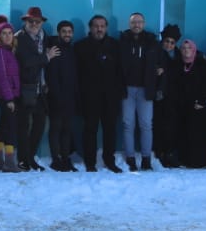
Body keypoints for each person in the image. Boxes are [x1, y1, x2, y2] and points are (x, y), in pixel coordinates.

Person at [75, 14, 123, 172]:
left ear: (106, 28)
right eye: (96, 26)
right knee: (90, 130)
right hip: (89, 97)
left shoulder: (115, 45)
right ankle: (90, 162)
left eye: (102, 26)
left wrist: (119, 94)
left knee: (110, 130)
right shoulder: (80, 46)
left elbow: (120, 71)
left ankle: (110, 161)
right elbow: (77, 74)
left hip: (110, 97)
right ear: (90, 28)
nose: (99, 29)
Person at [118, 12, 165, 171]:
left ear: (143, 24)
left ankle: (146, 159)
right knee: (128, 124)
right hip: (127, 89)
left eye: (139, 22)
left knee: (146, 125)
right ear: (129, 24)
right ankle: (130, 159)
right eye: (133, 22)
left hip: (146, 89)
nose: (136, 25)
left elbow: (162, 62)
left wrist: (160, 71)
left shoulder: (152, 42)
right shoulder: (122, 41)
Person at [13, 6, 54, 171]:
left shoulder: (45, 37)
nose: (34, 24)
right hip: (25, 88)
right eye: (31, 21)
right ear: (25, 21)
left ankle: (30, 157)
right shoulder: (19, 38)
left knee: (39, 125)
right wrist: (46, 57)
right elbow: (25, 62)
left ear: (42, 22)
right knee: (23, 126)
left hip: (40, 90)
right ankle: (23, 159)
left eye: (37, 21)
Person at [168, 38, 206, 168]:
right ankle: (184, 160)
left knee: (198, 134)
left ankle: (200, 162)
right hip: (181, 105)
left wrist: (202, 101)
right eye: (184, 48)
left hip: (198, 105)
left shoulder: (202, 64)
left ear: (194, 50)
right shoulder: (176, 64)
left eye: (189, 48)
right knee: (183, 133)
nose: (186, 50)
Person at [45, 20, 79, 170]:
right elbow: (51, 76)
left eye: (69, 32)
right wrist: (56, 96)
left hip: (70, 97)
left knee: (67, 129)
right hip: (56, 97)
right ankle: (55, 159)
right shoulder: (54, 49)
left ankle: (65, 158)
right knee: (56, 128)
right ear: (59, 33)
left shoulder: (72, 49)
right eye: (64, 31)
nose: (67, 34)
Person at [0, 19, 22, 172]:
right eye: (4, 33)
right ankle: (9, 161)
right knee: (10, 126)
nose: (8, 36)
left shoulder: (9, 51)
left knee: (3, 125)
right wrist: (9, 98)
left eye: (10, 33)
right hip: (5, 96)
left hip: (10, 94)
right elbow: (1, 76)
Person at [153, 23, 182, 167]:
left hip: (173, 97)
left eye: (172, 42)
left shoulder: (178, 56)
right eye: (167, 41)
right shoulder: (155, 52)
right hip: (159, 96)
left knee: (171, 126)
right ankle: (160, 153)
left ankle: (170, 153)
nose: (169, 45)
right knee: (159, 125)